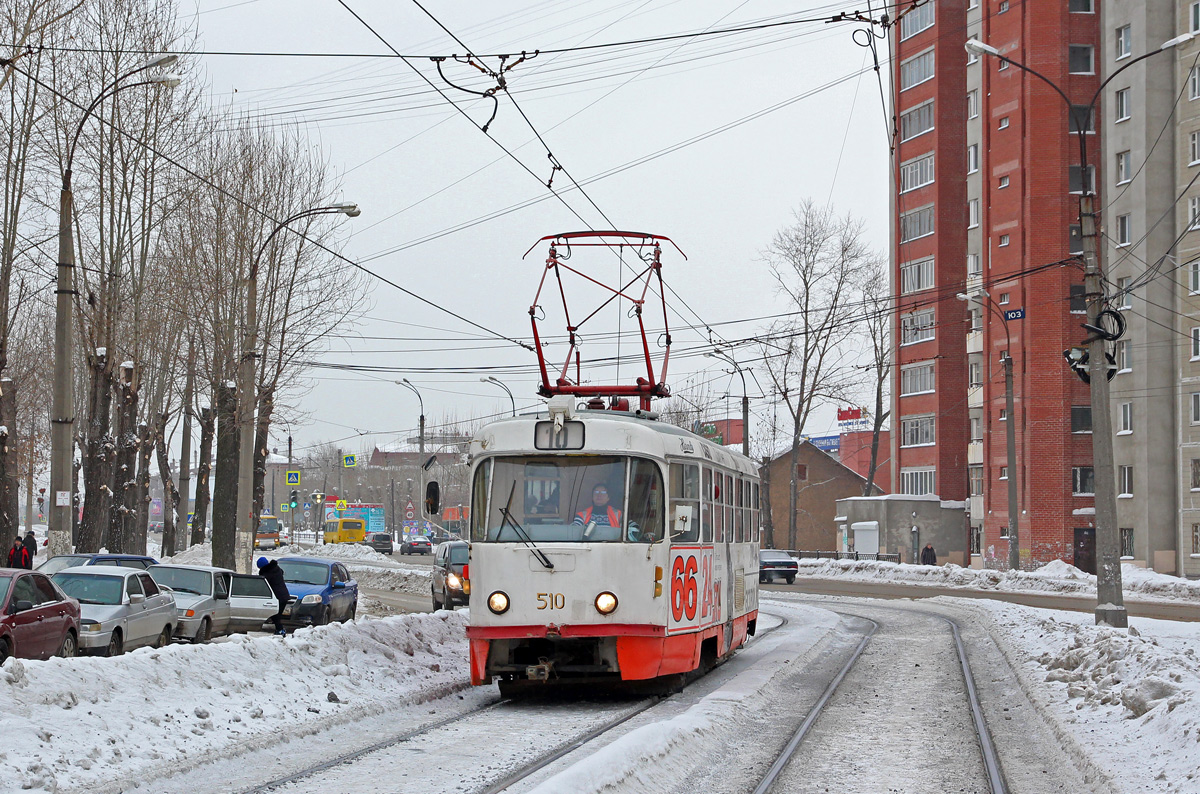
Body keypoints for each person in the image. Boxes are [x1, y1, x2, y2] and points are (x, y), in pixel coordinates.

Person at [256, 557, 290, 635]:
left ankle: (280, 630)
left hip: (278, 597)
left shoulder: (267, 573)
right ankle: (279, 629)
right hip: (284, 595)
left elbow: (264, 585)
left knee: (275, 615)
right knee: (276, 614)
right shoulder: (276, 569)